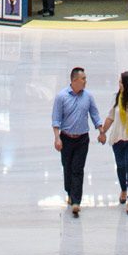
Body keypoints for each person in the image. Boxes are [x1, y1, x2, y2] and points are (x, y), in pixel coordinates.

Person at [52, 65, 105, 216]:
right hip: (66, 138)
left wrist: (101, 131)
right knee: (67, 167)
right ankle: (69, 192)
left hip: (82, 139)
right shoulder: (61, 97)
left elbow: (95, 114)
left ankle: (76, 201)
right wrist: (57, 138)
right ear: (74, 80)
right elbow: (56, 120)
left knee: (77, 169)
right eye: (83, 79)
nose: (85, 81)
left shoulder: (88, 96)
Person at [99, 70, 128, 214]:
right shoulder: (116, 98)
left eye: (121, 82)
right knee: (121, 167)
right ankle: (123, 190)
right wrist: (103, 132)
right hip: (118, 139)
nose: (119, 84)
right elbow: (110, 117)